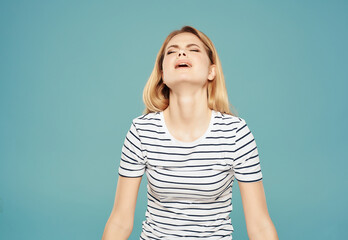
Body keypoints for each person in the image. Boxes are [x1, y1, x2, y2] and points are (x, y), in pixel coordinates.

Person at [102, 26, 278, 240]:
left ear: (211, 71)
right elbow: (120, 221)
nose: (181, 53)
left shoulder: (235, 133)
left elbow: (259, 225)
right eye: (172, 51)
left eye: (193, 49)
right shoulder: (142, 131)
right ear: (162, 74)